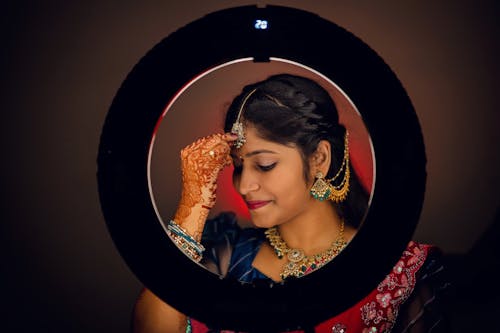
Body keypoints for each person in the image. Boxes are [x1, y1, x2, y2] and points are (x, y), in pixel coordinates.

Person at [132, 74, 449, 333]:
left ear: (319, 159)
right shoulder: (225, 257)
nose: (243, 185)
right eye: (238, 166)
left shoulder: (399, 271)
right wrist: (194, 200)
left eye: (265, 164)